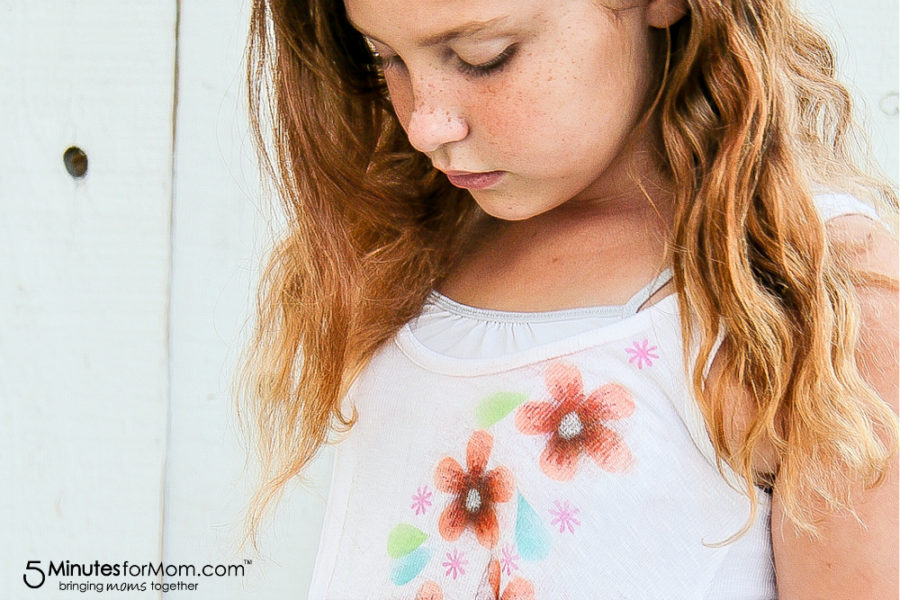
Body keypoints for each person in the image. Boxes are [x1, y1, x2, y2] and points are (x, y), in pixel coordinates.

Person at [238, 0, 899, 597]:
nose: (424, 125)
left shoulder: (809, 289)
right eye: (386, 57)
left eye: (482, 57)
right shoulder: (413, 245)